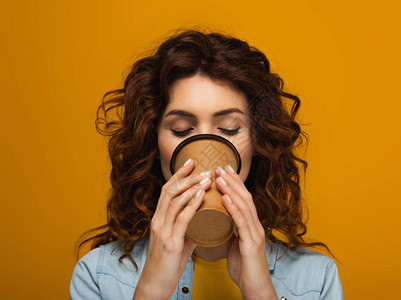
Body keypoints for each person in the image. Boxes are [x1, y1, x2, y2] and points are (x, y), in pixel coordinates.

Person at [70, 28, 344, 300]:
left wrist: (261, 293)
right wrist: (150, 291)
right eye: (180, 129)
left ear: (258, 141)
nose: (206, 150)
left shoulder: (316, 280)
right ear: (153, 143)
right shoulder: (97, 276)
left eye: (228, 128)